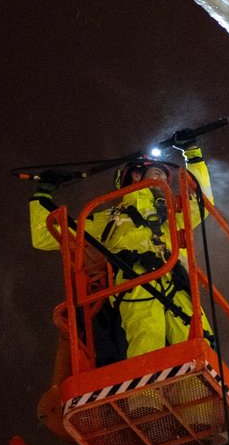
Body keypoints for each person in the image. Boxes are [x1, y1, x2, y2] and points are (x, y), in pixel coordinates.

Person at [29, 142, 213, 360]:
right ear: (136, 175)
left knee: (200, 341)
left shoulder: (171, 214)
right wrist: (42, 195)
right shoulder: (108, 218)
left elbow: (203, 202)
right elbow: (44, 236)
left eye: (165, 177)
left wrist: (193, 154)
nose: (164, 180)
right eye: (157, 173)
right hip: (136, 281)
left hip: (177, 283)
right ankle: (148, 383)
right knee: (147, 338)